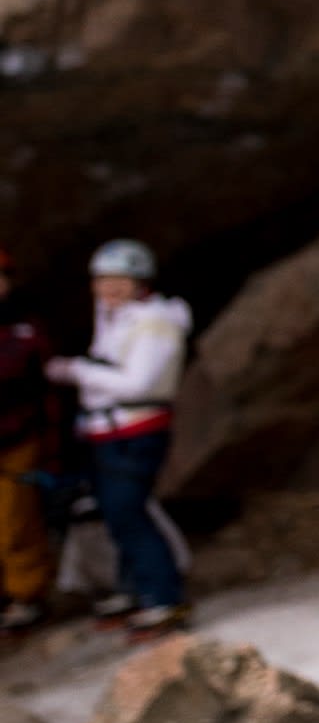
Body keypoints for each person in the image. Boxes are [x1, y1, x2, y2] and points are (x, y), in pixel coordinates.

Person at [46, 239, 194, 633]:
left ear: (140, 282)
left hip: (134, 433)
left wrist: (77, 371)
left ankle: (164, 596)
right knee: (115, 513)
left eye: (120, 281)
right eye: (103, 281)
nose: (109, 289)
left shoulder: (154, 321)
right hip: (107, 431)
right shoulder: (118, 315)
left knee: (129, 512)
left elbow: (137, 383)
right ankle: (136, 590)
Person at [0, 248, 57, 634]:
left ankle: (27, 596)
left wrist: (52, 446)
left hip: (16, 440)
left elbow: (42, 389)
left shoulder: (23, 330)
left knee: (14, 522)